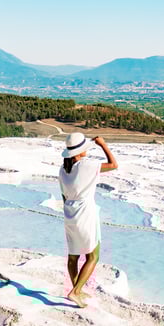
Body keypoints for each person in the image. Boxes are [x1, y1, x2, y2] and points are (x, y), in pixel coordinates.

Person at [58, 132, 118, 308]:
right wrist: (103, 144)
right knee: (93, 255)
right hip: (86, 212)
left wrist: (70, 212)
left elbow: (63, 196)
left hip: (69, 212)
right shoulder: (87, 165)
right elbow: (114, 165)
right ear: (81, 151)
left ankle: (77, 288)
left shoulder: (63, 169)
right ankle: (75, 292)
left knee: (73, 255)